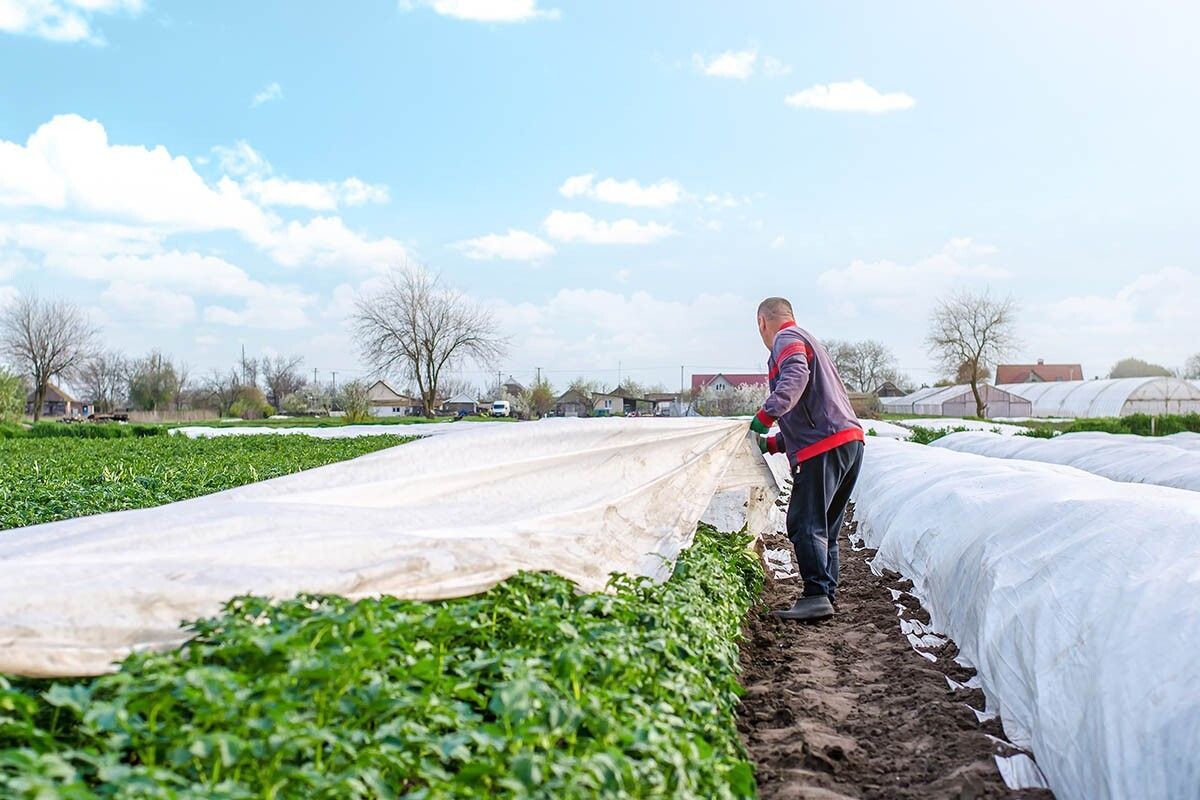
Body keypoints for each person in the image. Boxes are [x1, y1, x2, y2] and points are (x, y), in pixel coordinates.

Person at [749, 297, 864, 622]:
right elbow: (815, 408)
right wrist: (773, 444)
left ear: (762, 322)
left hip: (824, 447)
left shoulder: (786, 339)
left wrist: (765, 416)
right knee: (824, 526)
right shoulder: (811, 341)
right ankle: (824, 595)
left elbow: (795, 379)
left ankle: (815, 596)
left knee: (803, 521)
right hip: (848, 443)